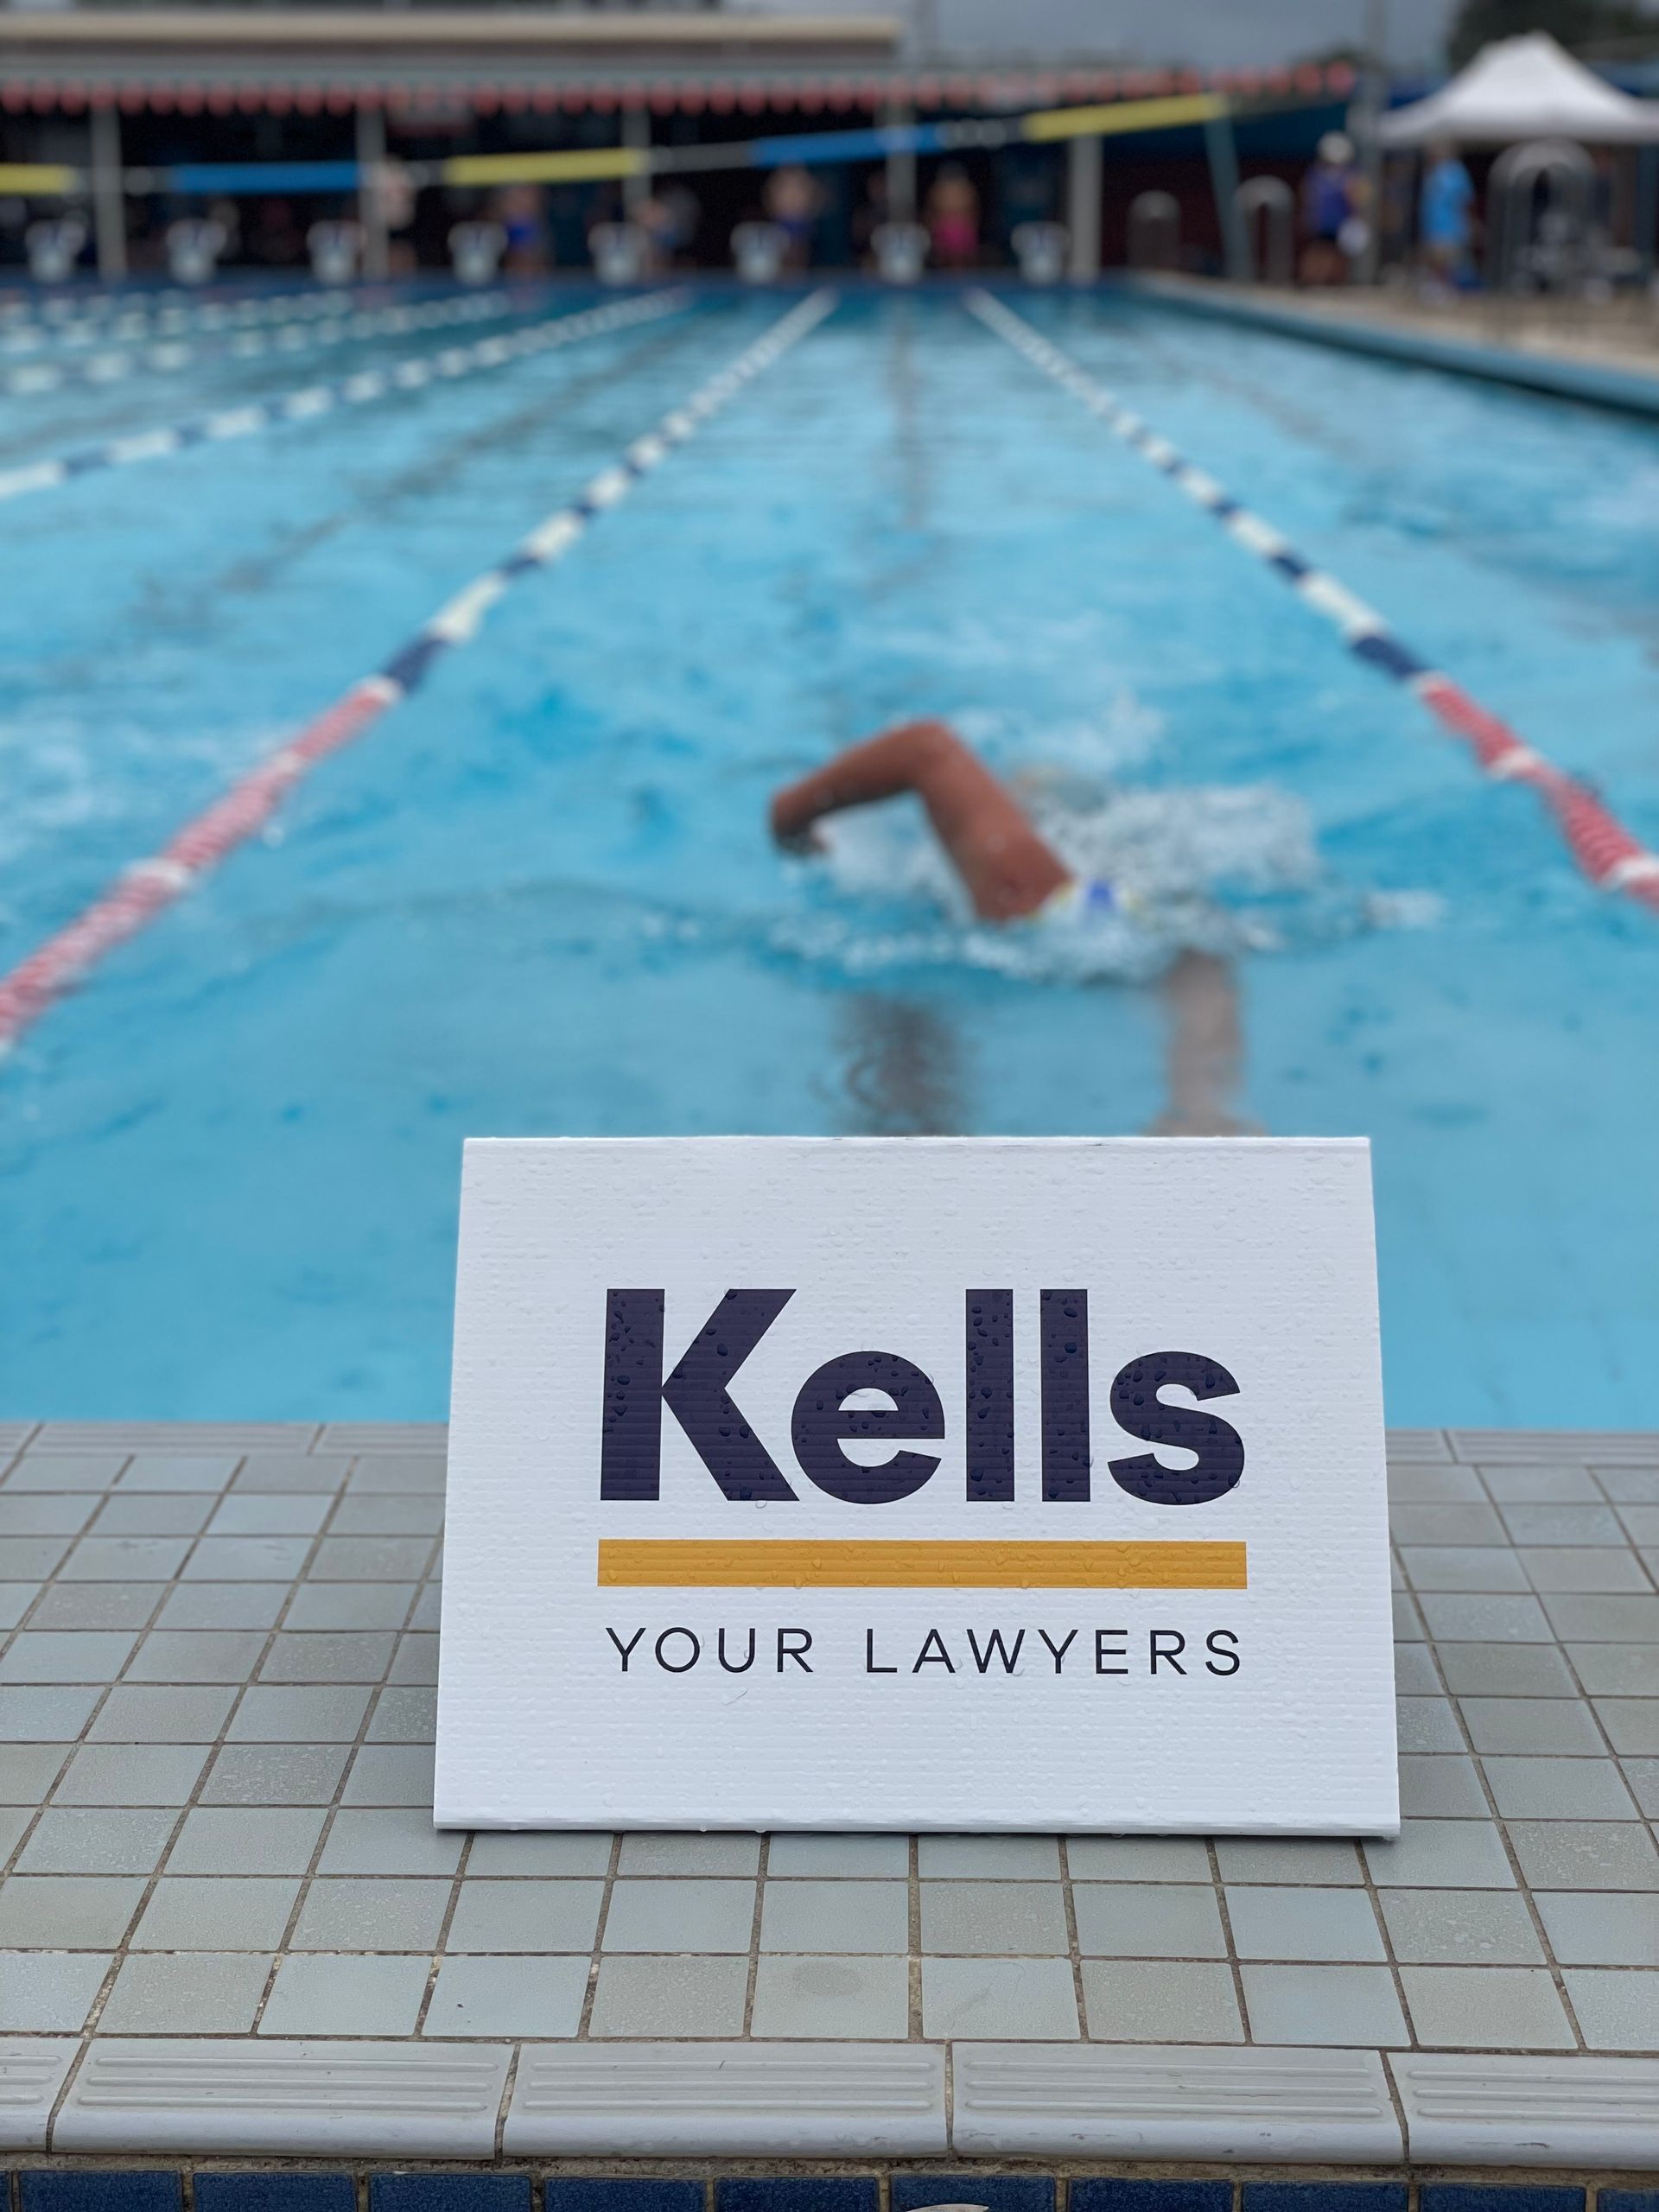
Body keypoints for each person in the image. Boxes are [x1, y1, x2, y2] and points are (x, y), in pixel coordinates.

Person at [769, 718, 1135, 925]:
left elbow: (927, 749)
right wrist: (788, 821)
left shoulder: (1033, 901)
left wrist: (790, 828)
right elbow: (925, 749)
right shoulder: (1031, 897)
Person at [1419, 141, 1475, 293]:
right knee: (1435, 258)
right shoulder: (1433, 173)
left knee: (1448, 260)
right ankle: (1437, 286)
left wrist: (1467, 224)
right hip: (1433, 226)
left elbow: (1465, 201)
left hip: (1451, 226)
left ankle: (1448, 286)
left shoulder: (1456, 172)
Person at [1300, 132, 1355, 285]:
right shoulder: (1317, 174)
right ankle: (1313, 280)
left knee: (1335, 253)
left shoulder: (1346, 175)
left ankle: (1327, 281)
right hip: (1323, 221)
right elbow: (1307, 196)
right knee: (1321, 250)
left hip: (1338, 221)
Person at [925, 164, 981, 270]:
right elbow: (931, 211)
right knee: (943, 256)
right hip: (943, 228)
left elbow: (973, 211)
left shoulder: (967, 190)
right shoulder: (937, 191)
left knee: (963, 256)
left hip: (963, 227)